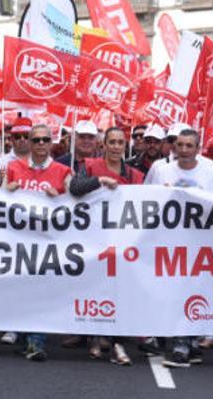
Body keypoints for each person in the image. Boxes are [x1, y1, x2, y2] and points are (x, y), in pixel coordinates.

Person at [145, 129, 213, 369]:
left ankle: (186, 341)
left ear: (197, 148)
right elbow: (146, 197)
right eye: (179, 145)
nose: (183, 150)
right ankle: (181, 341)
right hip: (166, 241)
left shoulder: (210, 172)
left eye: (189, 145)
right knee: (172, 291)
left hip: (198, 243)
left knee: (193, 291)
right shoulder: (161, 169)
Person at [68, 127, 142, 365]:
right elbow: (75, 189)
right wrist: (98, 181)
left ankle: (116, 341)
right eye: (112, 142)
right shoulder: (89, 166)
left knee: (118, 291)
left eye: (120, 142)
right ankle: (95, 336)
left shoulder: (135, 176)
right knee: (93, 288)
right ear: (104, 145)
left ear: (125, 146)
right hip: (93, 240)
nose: (116, 147)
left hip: (121, 243)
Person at [4, 124, 73, 361]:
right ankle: (25, 337)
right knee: (21, 292)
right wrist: (5, 190)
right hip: (18, 244)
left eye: (45, 140)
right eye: (36, 140)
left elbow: (77, 205)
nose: (41, 144)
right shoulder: (13, 168)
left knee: (41, 292)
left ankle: (36, 342)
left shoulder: (64, 171)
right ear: (30, 144)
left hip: (47, 245)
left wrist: (62, 196)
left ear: (52, 142)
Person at [0, 117, 32, 183]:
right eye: (17, 136)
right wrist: (1, 182)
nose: (22, 139)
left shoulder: (41, 162)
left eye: (26, 136)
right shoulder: (1, 163)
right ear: (13, 139)